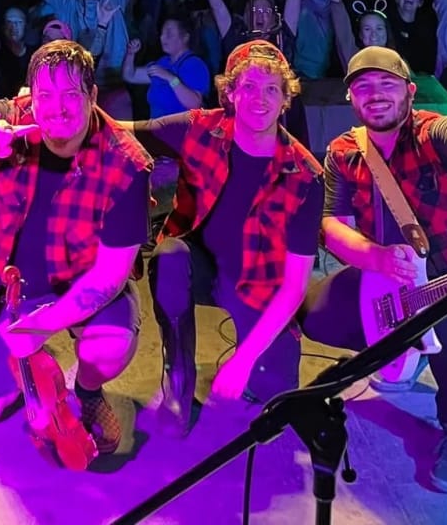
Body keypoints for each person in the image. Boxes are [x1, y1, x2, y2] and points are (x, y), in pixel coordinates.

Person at [0, 40, 153, 456]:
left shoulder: (127, 163)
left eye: (71, 95)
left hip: (78, 283)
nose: (57, 109)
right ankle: (28, 364)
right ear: (30, 97)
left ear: (92, 96)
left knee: (108, 346)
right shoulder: (4, 121)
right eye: (45, 96)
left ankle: (88, 390)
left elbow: (109, 276)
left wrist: (44, 323)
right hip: (1, 288)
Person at [300, 46, 447, 494]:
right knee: (315, 312)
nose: (375, 94)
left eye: (387, 84)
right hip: (391, 282)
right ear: (352, 99)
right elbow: (332, 225)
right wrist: (376, 258)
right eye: (363, 86)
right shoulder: (344, 152)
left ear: (409, 91)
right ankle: (402, 354)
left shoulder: (430, 133)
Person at [128, 41, 323, 434]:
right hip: (196, 265)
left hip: (258, 281)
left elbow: (296, 285)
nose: (259, 99)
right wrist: (49, 110)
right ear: (230, 92)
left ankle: (257, 364)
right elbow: (119, 132)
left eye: (272, 89)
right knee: (168, 257)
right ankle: (178, 377)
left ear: (286, 99)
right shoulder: (200, 127)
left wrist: (243, 360)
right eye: (249, 86)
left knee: (274, 398)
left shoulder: (305, 173)